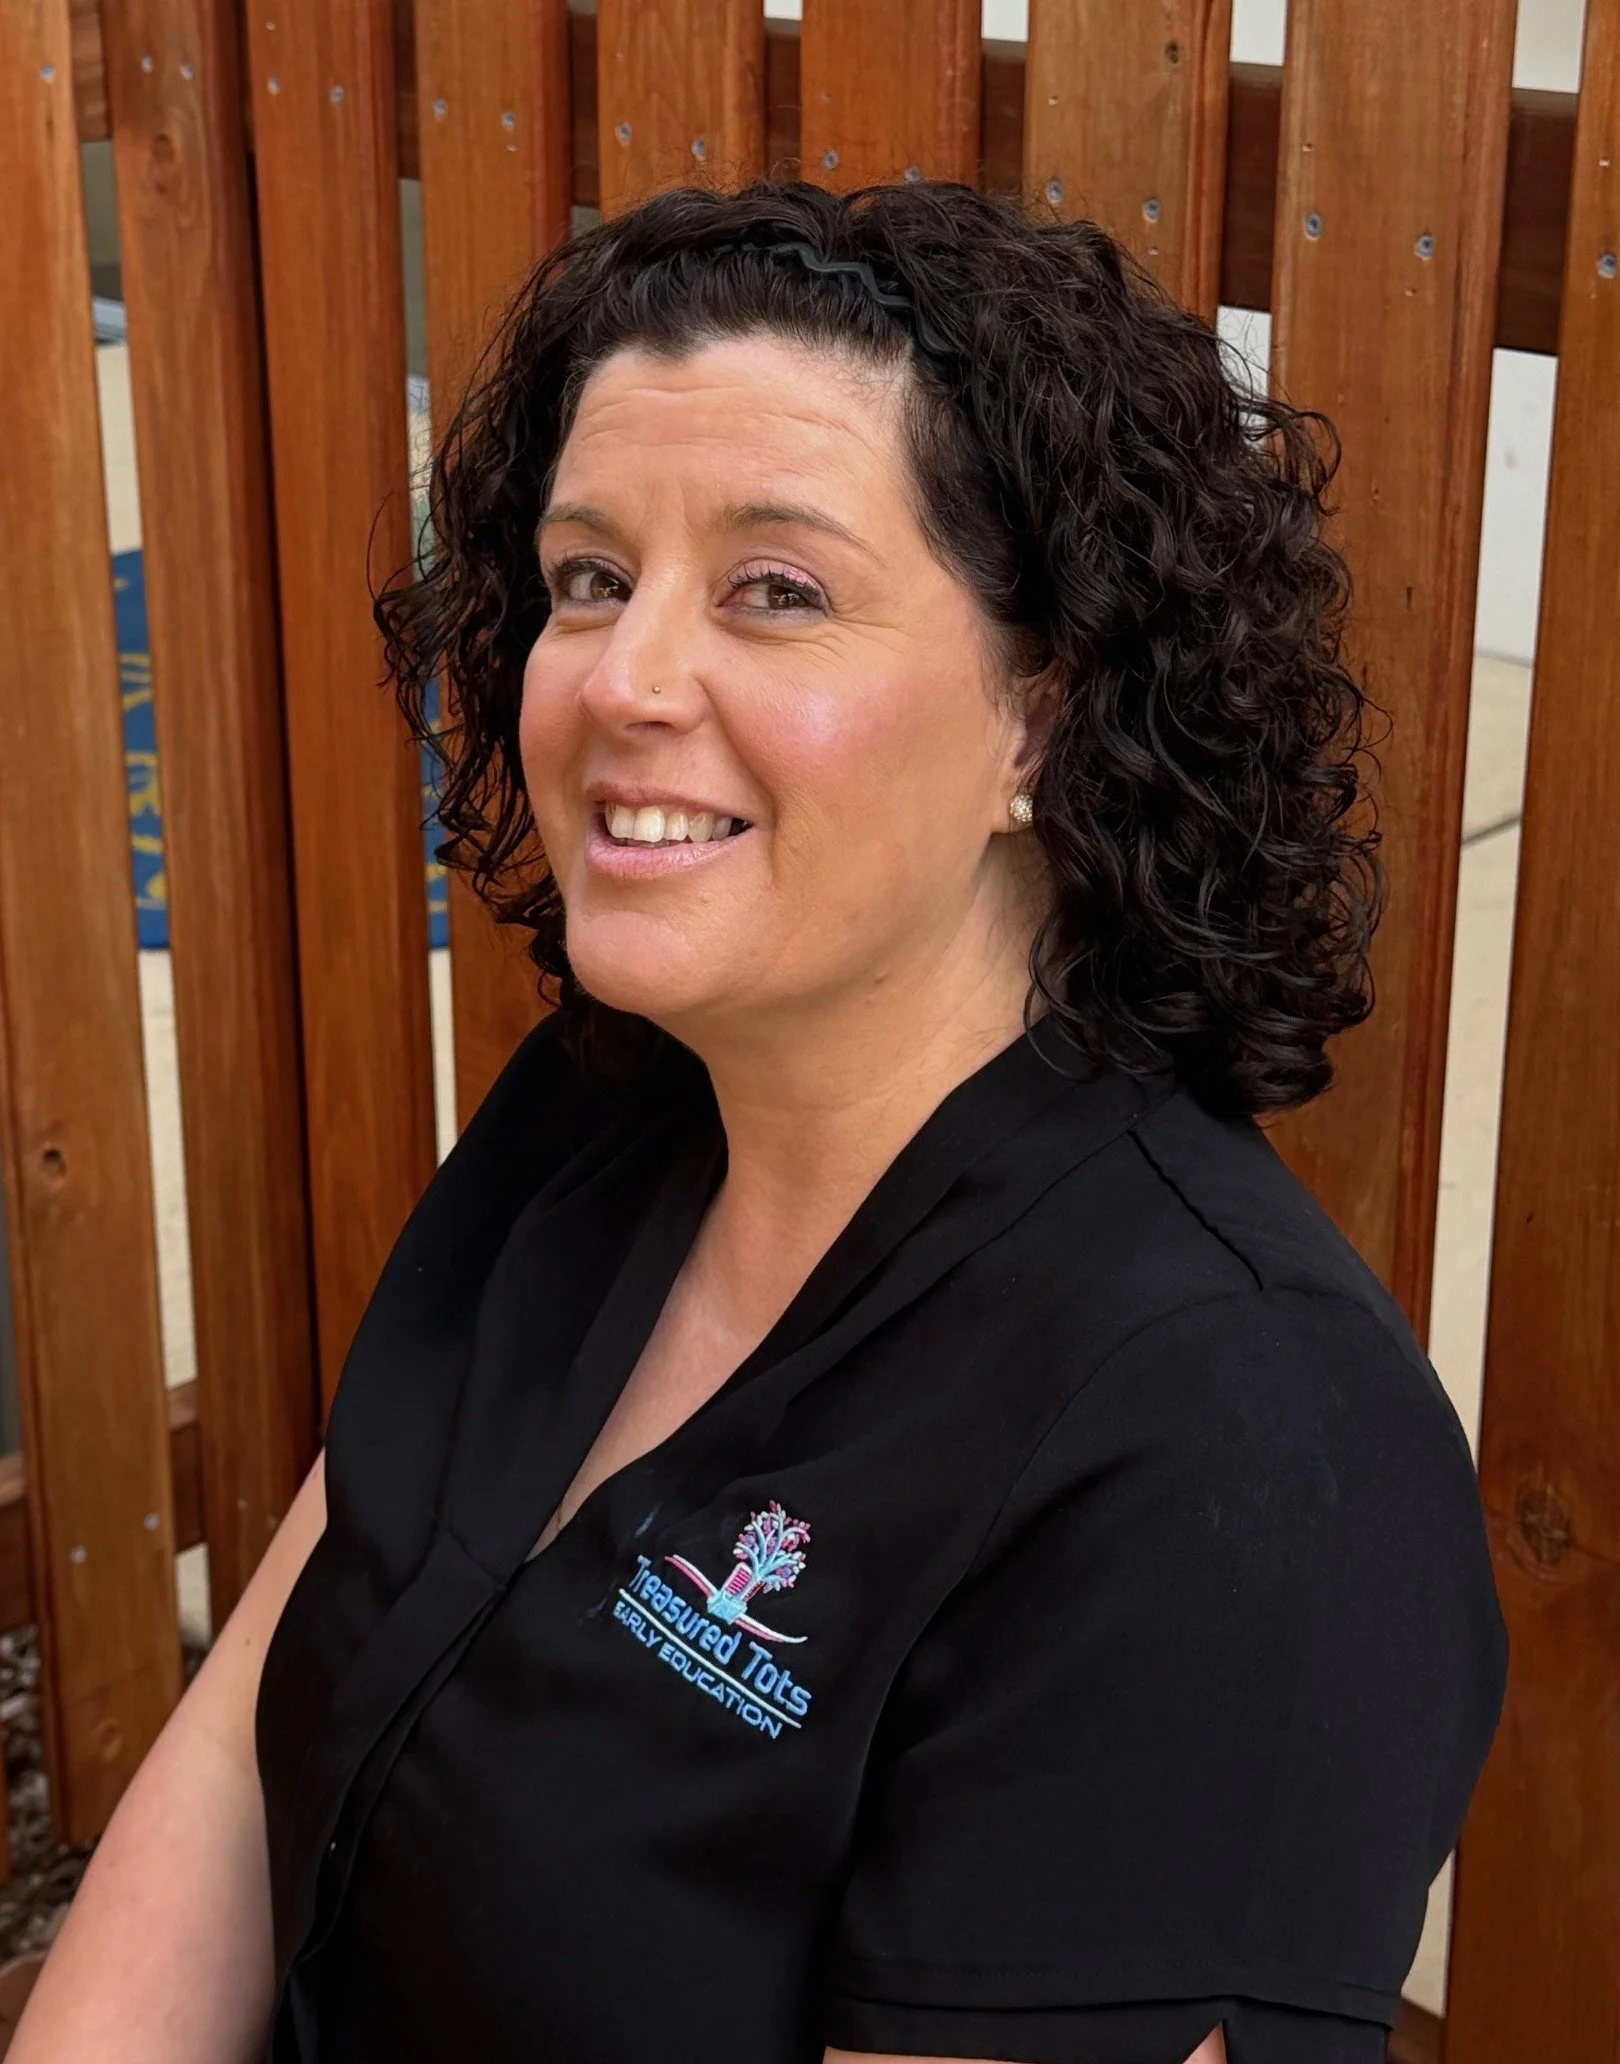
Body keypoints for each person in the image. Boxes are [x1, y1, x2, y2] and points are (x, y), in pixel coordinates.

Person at [11, 178, 1507, 2064]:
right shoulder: (614, 1098)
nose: (624, 679)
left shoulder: (1235, 1452)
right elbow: (259, 1713)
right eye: (587, 578)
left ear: (1042, 714)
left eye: (775, 591)